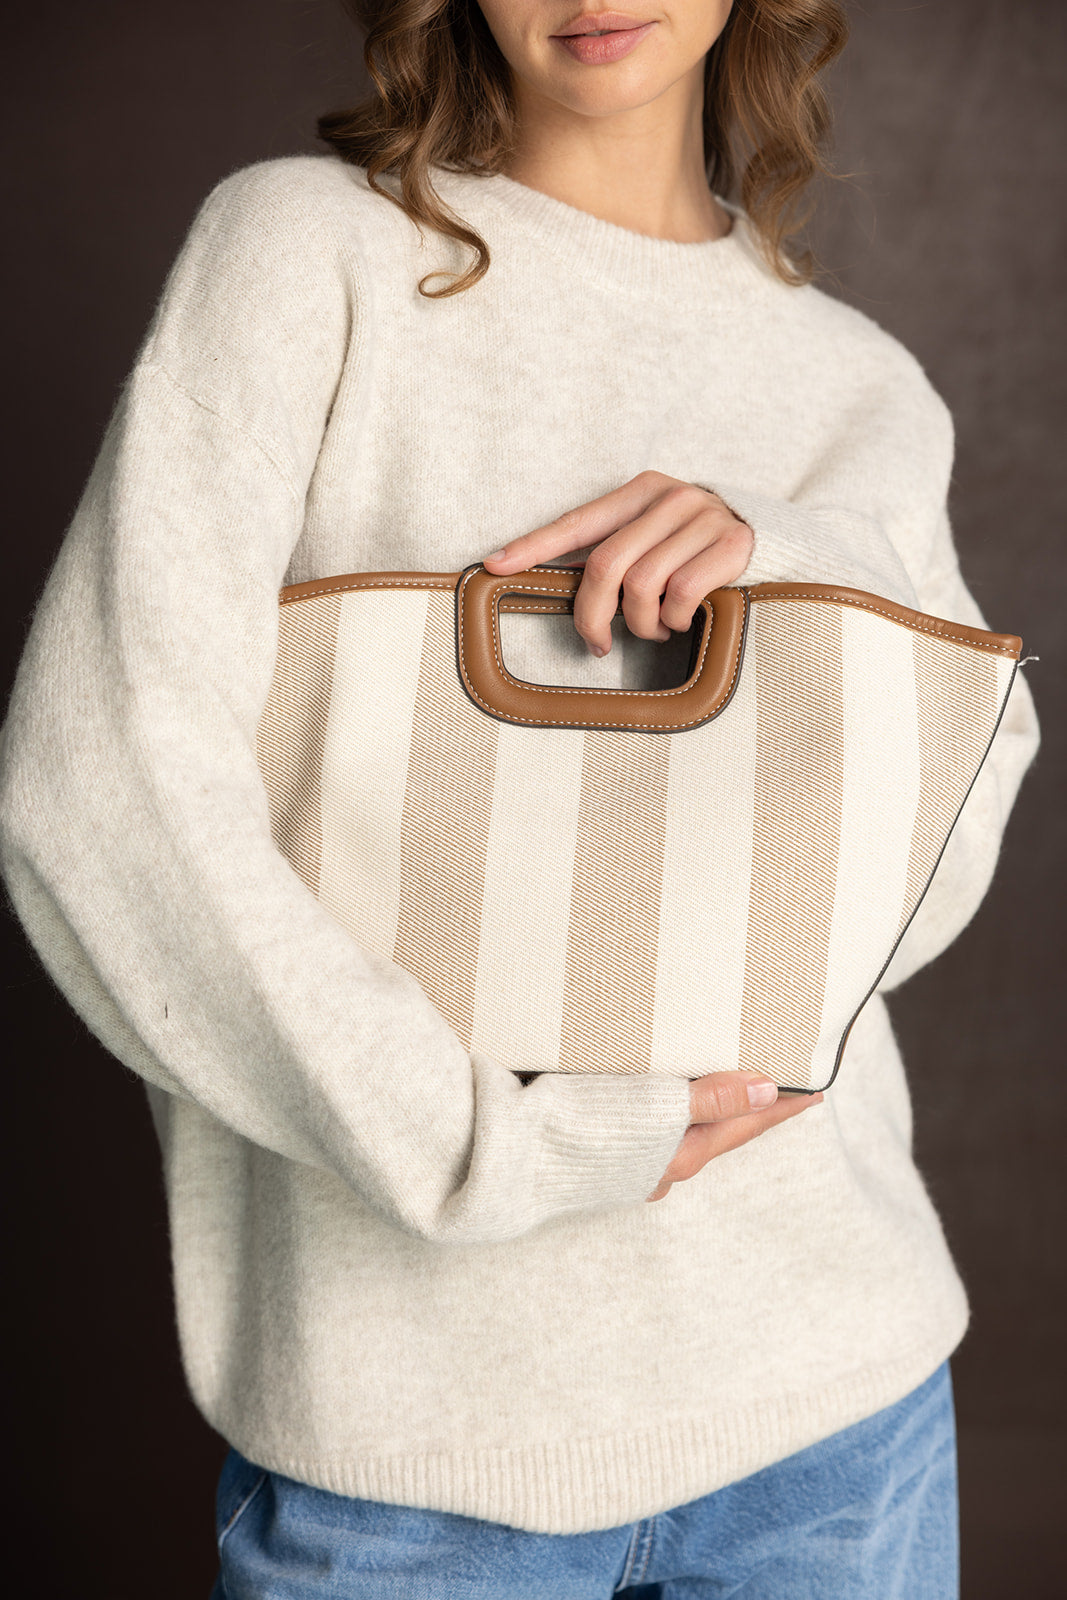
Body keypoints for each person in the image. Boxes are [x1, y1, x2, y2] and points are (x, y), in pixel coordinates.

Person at [0, 2, 1040, 1596]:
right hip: (410, 1460)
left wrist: (788, 559)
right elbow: (100, 785)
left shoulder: (861, 387)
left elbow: (939, 842)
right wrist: (490, 1141)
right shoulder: (308, 256)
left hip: (837, 1417)